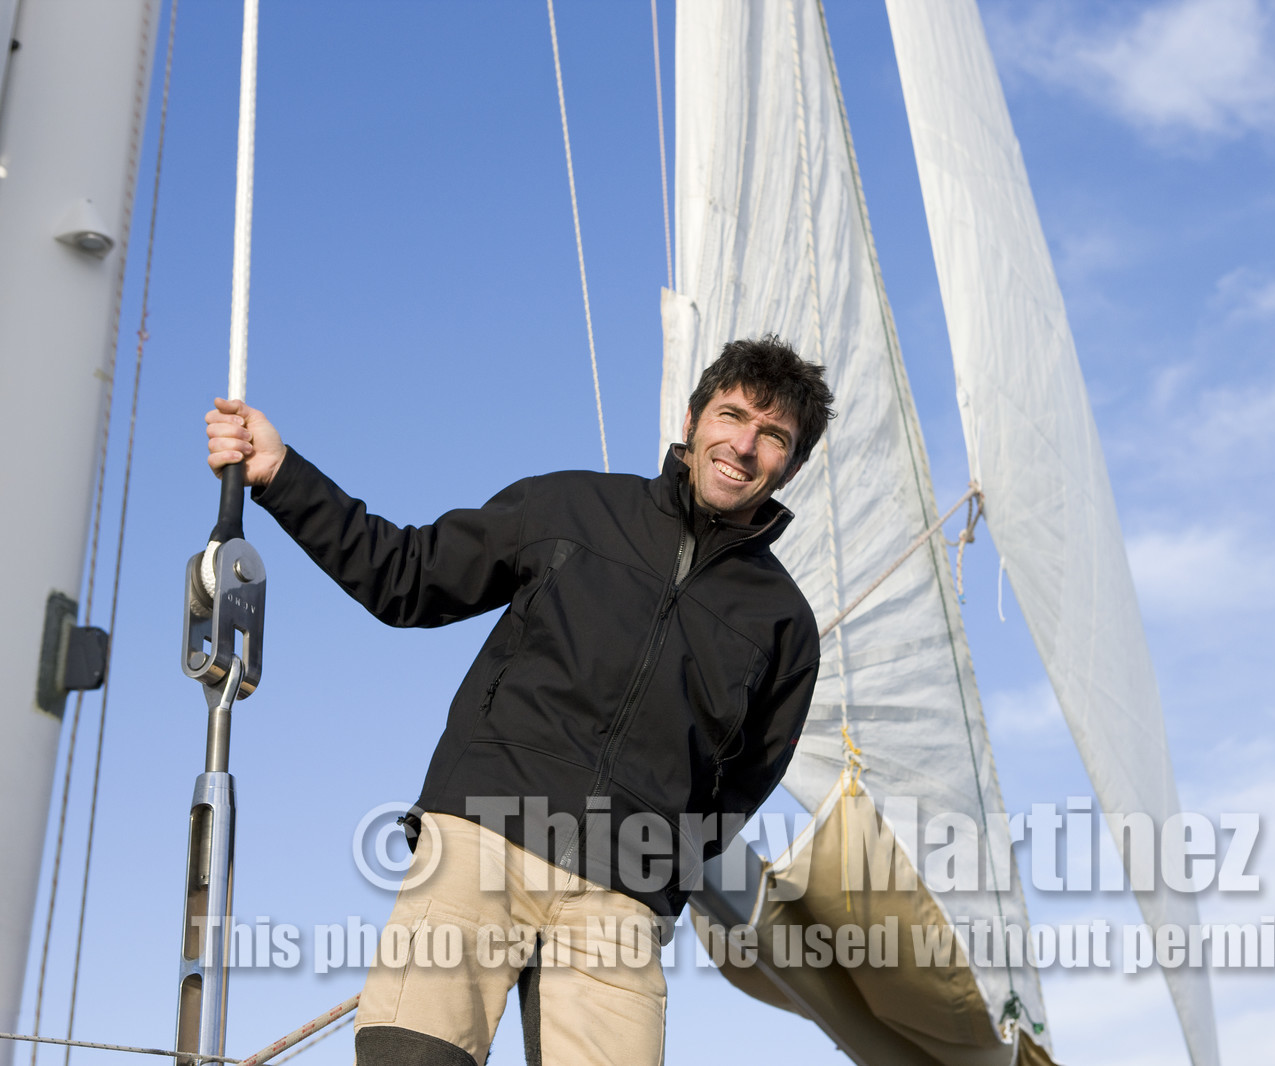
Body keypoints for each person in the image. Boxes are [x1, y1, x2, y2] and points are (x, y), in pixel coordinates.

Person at [204, 336, 833, 1066]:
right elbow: (404, 578)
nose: (744, 445)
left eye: (774, 436)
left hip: (622, 897)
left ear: (791, 463)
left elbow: (743, 784)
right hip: (483, 838)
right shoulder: (567, 506)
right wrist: (281, 473)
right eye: (731, 416)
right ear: (693, 419)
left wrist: (659, 873)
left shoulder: (785, 624)